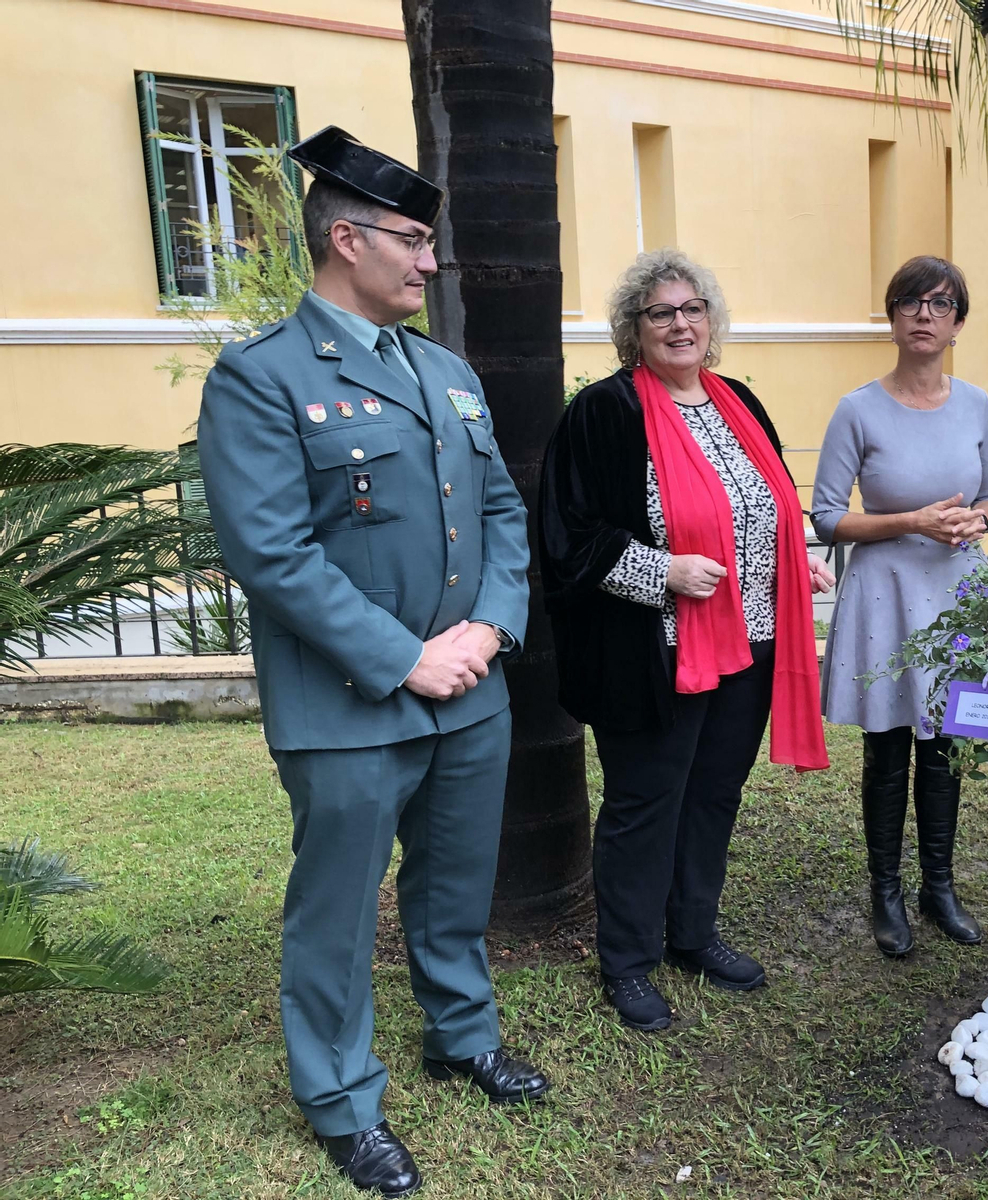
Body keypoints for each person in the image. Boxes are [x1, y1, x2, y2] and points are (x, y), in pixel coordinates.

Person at [197, 126, 548, 1198]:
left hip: (467, 692)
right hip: (349, 704)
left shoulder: (444, 372)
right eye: (412, 240)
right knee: (339, 910)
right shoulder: (261, 378)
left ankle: (461, 1035)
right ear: (344, 239)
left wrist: (486, 631)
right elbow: (270, 551)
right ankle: (343, 1100)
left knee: (453, 888)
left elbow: (498, 508)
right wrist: (406, 659)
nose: (430, 262)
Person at [538, 248, 833, 1033]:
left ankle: (693, 934)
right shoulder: (605, 413)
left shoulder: (738, 400)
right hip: (654, 654)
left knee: (713, 795)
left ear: (712, 321)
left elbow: (762, 504)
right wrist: (660, 570)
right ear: (633, 331)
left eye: (692, 308)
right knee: (644, 803)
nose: (680, 324)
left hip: (752, 642)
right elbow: (567, 540)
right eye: (661, 312)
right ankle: (628, 962)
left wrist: (794, 563)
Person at [811, 256, 988, 957]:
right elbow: (828, 518)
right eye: (911, 302)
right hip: (886, 593)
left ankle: (939, 885)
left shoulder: (977, 404)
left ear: (958, 323)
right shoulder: (857, 409)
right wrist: (911, 522)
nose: (925, 314)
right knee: (890, 746)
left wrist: (974, 523)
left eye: (941, 303)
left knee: (945, 745)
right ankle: (886, 888)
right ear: (892, 318)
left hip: (955, 592)